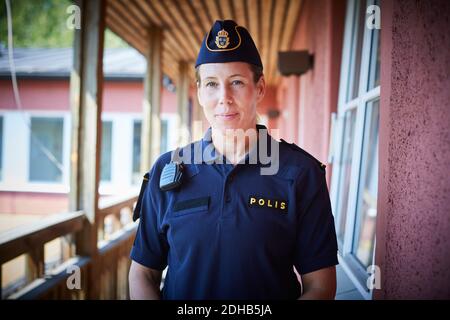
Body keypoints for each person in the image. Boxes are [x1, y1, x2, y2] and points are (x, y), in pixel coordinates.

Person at [129, 20, 338, 300]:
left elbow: (320, 286)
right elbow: (143, 272)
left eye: (237, 82)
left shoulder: (301, 173)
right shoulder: (167, 170)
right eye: (212, 84)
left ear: (260, 88)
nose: (224, 98)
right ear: (200, 91)